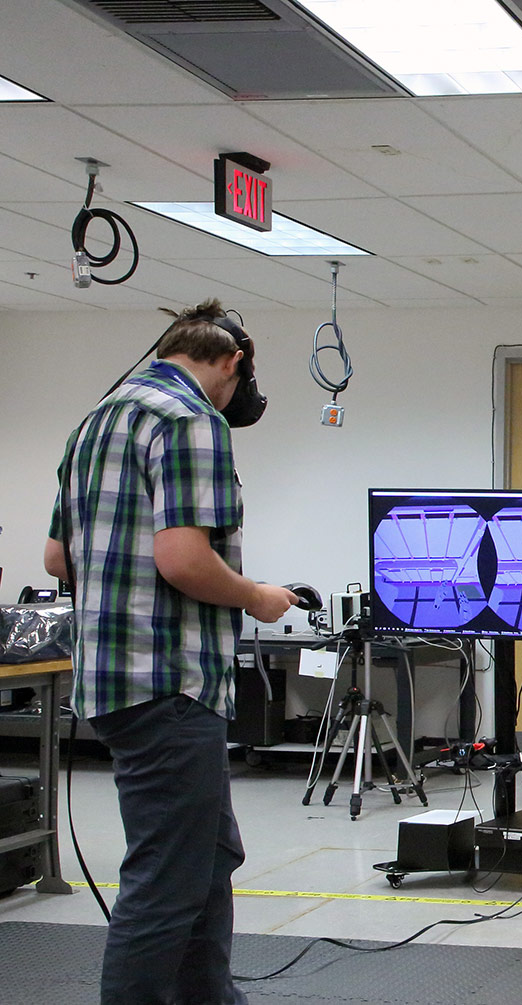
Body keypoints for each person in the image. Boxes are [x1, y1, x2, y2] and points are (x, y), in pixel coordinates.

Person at [44, 300, 298, 1005]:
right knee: (166, 878)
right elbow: (183, 558)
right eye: (234, 385)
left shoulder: (93, 423)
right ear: (232, 361)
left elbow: (59, 556)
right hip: (169, 683)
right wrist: (255, 595)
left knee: (209, 857)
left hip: (112, 682)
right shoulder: (192, 420)